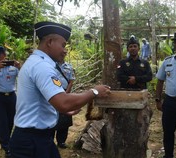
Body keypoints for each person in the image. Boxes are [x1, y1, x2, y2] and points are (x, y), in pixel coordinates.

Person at [9, 21, 111, 158]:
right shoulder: (42, 66)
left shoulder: (35, 62)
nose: (65, 50)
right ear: (50, 42)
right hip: (32, 142)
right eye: (63, 45)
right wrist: (94, 92)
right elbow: (63, 102)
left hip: (36, 137)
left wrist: (61, 109)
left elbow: (40, 100)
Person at [0, 46, 20, 157]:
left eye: (2, 54)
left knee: (11, 120)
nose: (1, 57)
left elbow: (22, 77)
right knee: (2, 121)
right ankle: (6, 146)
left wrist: (20, 67)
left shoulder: (13, 67)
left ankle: (6, 140)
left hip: (11, 97)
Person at [53, 56, 76, 149]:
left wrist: (66, 94)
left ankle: (61, 141)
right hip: (53, 92)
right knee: (53, 116)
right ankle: (50, 139)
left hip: (65, 91)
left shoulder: (69, 67)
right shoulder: (51, 66)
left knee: (65, 118)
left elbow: (71, 81)